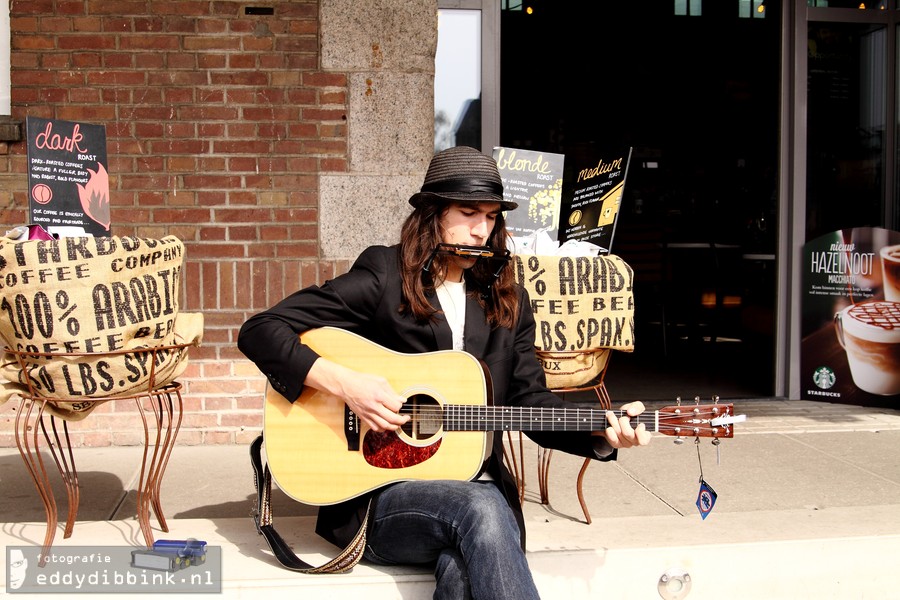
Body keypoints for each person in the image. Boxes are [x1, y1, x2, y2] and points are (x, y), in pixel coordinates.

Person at [238, 145, 651, 599]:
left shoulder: (508, 300)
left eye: (492, 217)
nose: (481, 231)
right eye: (469, 213)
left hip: (476, 497)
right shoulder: (384, 276)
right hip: (382, 494)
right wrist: (347, 385)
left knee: (461, 570)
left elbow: (530, 402)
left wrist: (601, 432)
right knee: (482, 510)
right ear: (433, 213)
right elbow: (260, 330)